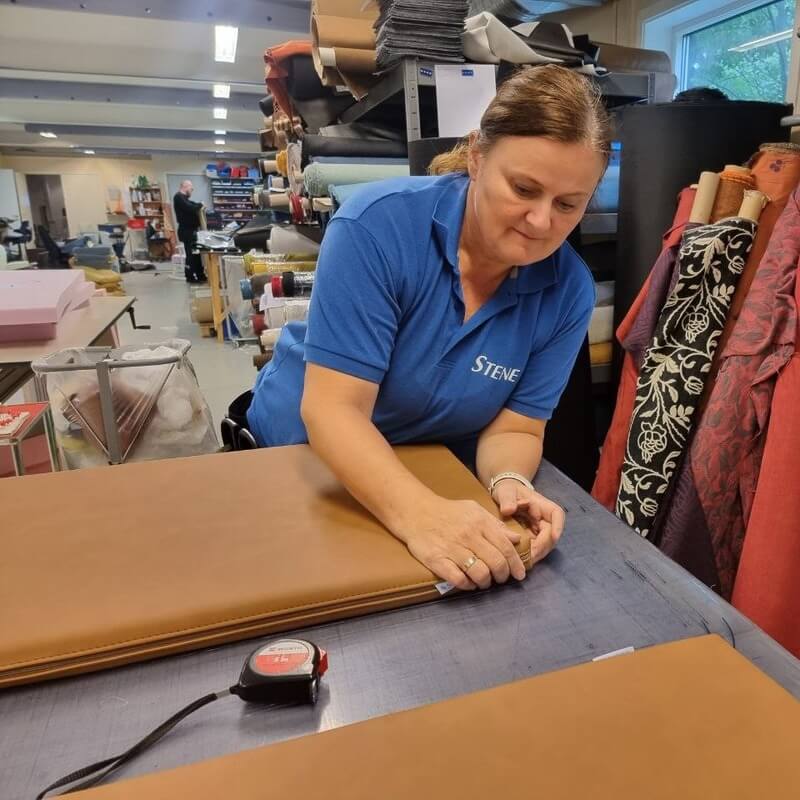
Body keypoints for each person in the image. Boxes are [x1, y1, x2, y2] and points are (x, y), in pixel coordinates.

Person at [247, 65, 611, 591]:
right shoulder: (378, 226)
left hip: (427, 466)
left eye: (567, 204)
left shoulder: (568, 291)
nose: (540, 222)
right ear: (477, 156)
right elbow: (334, 410)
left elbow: (515, 429)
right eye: (523, 188)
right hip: (307, 456)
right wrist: (420, 515)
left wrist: (509, 482)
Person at [173, 180, 205, 283]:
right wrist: (200, 205)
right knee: (191, 255)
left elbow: (192, 204)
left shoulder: (184, 198)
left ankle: (200, 275)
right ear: (185, 186)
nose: (192, 190)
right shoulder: (178, 197)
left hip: (192, 230)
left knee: (196, 254)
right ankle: (190, 277)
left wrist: (200, 204)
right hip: (187, 231)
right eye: (191, 188)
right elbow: (190, 208)